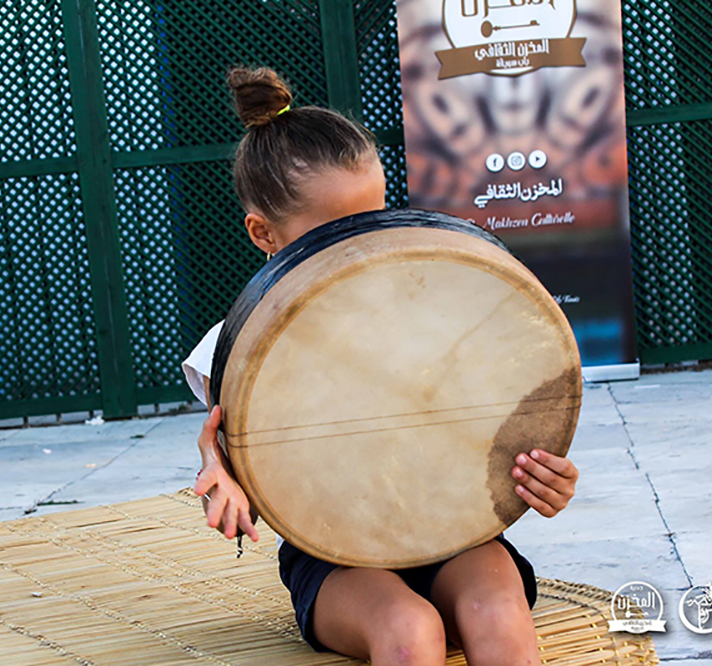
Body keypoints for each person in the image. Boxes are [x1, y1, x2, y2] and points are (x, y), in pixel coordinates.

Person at [181, 66, 579, 666]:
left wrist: (545, 475)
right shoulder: (233, 352)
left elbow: (489, 412)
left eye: (375, 217)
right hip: (336, 560)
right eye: (335, 233)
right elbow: (253, 464)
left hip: (458, 535)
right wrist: (224, 477)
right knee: (408, 630)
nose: (366, 242)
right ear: (264, 233)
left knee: (497, 614)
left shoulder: (431, 304)